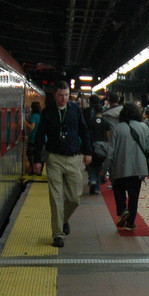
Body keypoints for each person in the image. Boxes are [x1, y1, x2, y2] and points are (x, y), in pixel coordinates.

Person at [31, 82, 92, 247]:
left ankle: (63, 219)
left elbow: (84, 130)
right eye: (60, 95)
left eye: (66, 95)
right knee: (56, 198)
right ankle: (57, 234)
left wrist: (88, 151)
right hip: (54, 159)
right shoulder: (47, 112)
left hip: (73, 159)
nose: (63, 98)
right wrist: (37, 160)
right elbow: (39, 136)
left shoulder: (75, 110)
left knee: (74, 198)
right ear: (55, 95)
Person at [103, 102, 149, 232]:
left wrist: (105, 168)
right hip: (138, 169)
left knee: (119, 191)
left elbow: (110, 151)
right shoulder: (144, 127)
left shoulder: (116, 128)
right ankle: (130, 224)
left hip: (120, 168)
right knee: (133, 196)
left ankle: (122, 210)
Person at [84, 95, 108, 194]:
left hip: (92, 145)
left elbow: (86, 133)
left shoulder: (90, 121)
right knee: (99, 166)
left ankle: (92, 179)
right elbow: (108, 135)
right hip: (102, 147)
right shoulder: (105, 122)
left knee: (90, 164)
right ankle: (97, 187)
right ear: (102, 111)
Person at [24, 102, 42, 175]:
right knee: (39, 154)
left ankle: (33, 169)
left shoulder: (34, 116)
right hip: (42, 138)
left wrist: (24, 122)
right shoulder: (41, 115)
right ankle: (39, 170)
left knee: (30, 154)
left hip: (34, 138)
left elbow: (32, 127)